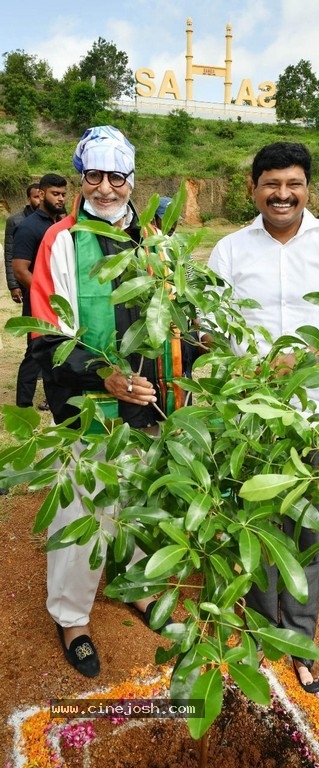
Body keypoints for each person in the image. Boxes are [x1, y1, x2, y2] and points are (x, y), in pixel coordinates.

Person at [205, 141, 319, 693]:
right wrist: (244, 366)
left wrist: (295, 361)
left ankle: (299, 637)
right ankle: (260, 627)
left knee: (302, 532)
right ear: (253, 188)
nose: (282, 194)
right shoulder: (228, 251)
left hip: (317, 414)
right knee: (252, 526)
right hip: (249, 417)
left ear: (307, 188)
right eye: (271, 184)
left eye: (293, 183)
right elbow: (209, 327)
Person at [29, 126, 171, 678]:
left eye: (117, 177)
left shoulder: (153, 241)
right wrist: (105, 378)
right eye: (94, 176)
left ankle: (135, 584)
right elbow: (47, 335)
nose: (106, 188)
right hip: (86, 404)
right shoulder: (61, 240)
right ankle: (70, 617)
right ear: (80, 179)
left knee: (137, 498)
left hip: (147, 403)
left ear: (132, 180)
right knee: (82, 508)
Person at [12, 174, 68, 409]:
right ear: (42, 194)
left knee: (60, 352)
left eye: (64, 194)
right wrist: (44, 295)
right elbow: (20, 269)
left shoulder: (62, 224)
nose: (61, 199)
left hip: (62, 301)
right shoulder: (28, 227)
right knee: (35, 353)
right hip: (39, 301)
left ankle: (54, 401)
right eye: (55, 194)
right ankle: (23, 404)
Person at [3, 183, 41, 304]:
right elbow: (9, 253)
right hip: (25, 278)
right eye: (36, 197)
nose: (39, 200)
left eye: (41, 196)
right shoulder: (15, 220)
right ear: (28, 199)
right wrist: (13, 286)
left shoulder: (52, 218)